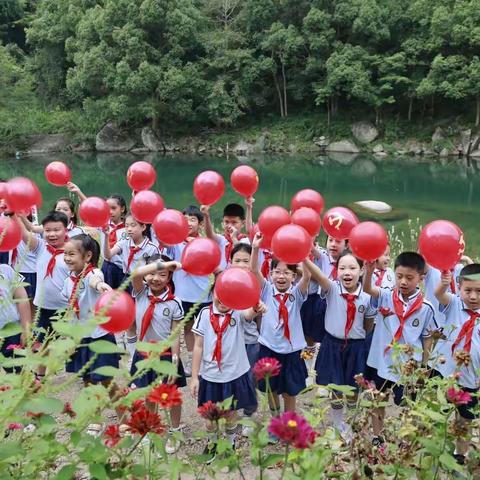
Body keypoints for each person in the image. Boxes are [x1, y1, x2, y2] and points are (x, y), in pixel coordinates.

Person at [363, 252, 437, 446]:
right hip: (381, 360)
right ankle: (378, 435)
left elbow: (427, 337)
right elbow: (368, 288)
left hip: (407, 365)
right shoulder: (387, 296)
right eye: (399, 276)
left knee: (407, 403)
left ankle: (405, 439)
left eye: (409, 278)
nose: (403, 281)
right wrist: (369, 272)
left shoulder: (426, 307)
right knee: (377, 398)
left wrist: (424, 364)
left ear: (421, 278)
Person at [305, 250, 376, 438]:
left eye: (353, 268)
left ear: (361, 271)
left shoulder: (368, 297)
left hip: (356, 347)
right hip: (332, 345)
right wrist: (304, 257)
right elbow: (319, 275)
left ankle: (352, 425)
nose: (347, 272)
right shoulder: (332, 289)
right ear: (336, 271)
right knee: (335, 388)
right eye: (342, 267)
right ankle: (337, 426)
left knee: (353, 390)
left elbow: (368, 325)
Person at [190, 289, 262, 463]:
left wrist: (256, 307)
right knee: (209, 418)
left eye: (227, 293)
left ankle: (230, 442)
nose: (223, 298)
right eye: (219, 292)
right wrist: (194, 377)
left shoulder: (237, 312)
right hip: (210, 375)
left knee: (230, 415)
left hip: (234, 375)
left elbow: (250, 313)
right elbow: (198, 346)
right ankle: (213, 442)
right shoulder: (204, 314)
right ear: (212, 292)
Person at [61, 234, 121, 431]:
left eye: (71, 254)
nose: (67, 258)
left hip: (99, 336)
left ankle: (127, 417)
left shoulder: (92, 274)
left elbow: (95, 280)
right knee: (87, 380)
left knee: (105, 380)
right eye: (65, 254)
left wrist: (100, 285)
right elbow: (69, 310)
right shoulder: (69, 279)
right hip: (80, 338)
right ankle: (96, 421)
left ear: (87, 256)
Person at [128, 254, 185, 454]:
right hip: (144, 354)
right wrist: (161, 264)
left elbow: (176, 333)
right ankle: (149, 430)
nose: (155, 278)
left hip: (166, 355)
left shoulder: (174, 302)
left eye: (162, 275)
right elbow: (135, 273)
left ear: (169, 277)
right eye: (151, 273)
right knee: (148, 395)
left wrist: (175, 360)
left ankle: (175, 430)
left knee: (172, 396)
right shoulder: (140, 292)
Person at [250, 231, 310, 413]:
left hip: (292, 350)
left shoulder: (296, 294)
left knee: (290, 391)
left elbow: (307, 276)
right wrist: (255, 248)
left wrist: (303, 255)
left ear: (294, 276)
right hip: (269, 346)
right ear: (271, 274)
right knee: (270, 387)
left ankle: (289, 421)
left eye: (286, 273)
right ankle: (275, 418)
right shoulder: (267, 290)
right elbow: (253, 270)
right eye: (277, 272)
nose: (281, 277)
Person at [431, 264, 480, 465]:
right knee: (436, 411)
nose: (473, 296)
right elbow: (438, 294)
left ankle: (460, 455)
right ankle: (433, 447)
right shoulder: (453, 303)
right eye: (468, 290)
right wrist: (443, 284)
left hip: (470, 378)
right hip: (443, 372)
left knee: (464, 419)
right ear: (459, 288)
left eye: (479, 291)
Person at [16, 211, 70, 378]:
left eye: (56, 230)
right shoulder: (40, 247)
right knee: (42, 342)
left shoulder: (73, 251)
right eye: (47, 230)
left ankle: (79, 372)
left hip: (66, 308)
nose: (52, 234)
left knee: (70, 342)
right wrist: (14, 216)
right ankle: (40, 375)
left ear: (66, 230)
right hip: (42, 307)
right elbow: (24, 234)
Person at [170, 205, 211, 377]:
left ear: (200, 224)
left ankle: (207, 360)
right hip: (182, 294)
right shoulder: (175, 242)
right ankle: (191, 359)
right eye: (184, 219)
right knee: (187, 328)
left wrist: (195, 244)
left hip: (203, 294)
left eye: (192, 219)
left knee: (205, 329)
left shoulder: (205, 243)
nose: (188, 223)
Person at [302, 236, 348, 374]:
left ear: (346, 245)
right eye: (330, 240)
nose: (333, 244)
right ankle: (308, 368)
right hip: (321, 303)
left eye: (338, 241)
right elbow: (311, 248)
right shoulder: (323, 256)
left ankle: (322, 374)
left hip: (338, 304)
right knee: (309, 335)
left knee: (327, 341)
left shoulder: (348, 261)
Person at [230, 243, 260, 436]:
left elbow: (249, 315)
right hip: (228, 342)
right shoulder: (224, 282)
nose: (241, 264)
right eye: (237, 260)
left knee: (250, 379)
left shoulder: (254, 283)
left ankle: (249, 413)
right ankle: (231, 411)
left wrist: (255, 249)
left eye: (245, 261)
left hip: (249, 341)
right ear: (230, 262)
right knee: (230, 377)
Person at [103, 213, 159, 289]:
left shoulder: (152, 248)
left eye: (133, 225)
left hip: (142, 281)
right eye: (126, 226)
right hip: (125, 279)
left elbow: (157, 269)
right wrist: (106, 236)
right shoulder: (124, 242)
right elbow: (108, 255)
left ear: (143, 227)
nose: (129, 229)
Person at [0, 263, 31, 373]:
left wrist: (25, 329)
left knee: (19, 370)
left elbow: (22, 298)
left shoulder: (6, 270)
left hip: (12, 331)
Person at [202, 203, 251, 270]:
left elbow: (240, 250)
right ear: (222, 223)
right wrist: (206, 216)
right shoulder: (222, 239)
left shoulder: (246, 241)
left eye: (234, 222)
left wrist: (234, 238)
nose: (229, 226)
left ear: (243, 223)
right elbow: (209, 235)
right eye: (226, 222)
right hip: (222, 278)